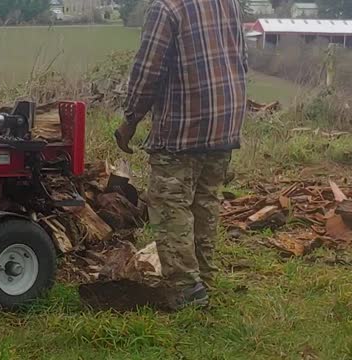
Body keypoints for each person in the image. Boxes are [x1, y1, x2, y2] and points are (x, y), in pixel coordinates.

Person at [115, 0, 248, 310]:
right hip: (224, 123)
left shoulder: (166, 8)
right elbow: (241, 59)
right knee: (205, 202)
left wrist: (130, 120)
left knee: (169, 205)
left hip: (183, 128)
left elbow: (148, 71)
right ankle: (204, 278)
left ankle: (186, 289)